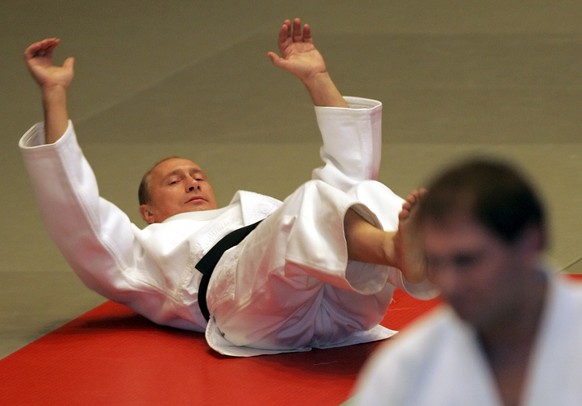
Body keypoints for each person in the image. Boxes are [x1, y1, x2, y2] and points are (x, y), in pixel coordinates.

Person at [19, 18, 436, 357]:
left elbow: (352, 171)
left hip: (346, 312)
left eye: (197, 174)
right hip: (254, 313)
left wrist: (318, 79)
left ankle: (399, 250)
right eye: (173, 179)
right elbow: (76, 211)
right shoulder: (139, 249)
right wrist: (54, 94)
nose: (192, 180)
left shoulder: (260, 210)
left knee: (359, 193)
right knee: (310, 202)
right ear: (148, 211)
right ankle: (395, 252)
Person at [352, 158, 582, 405]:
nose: (449, 283)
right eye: (435, 262)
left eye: (466, 261)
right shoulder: (406, 369)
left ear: (531, 243)